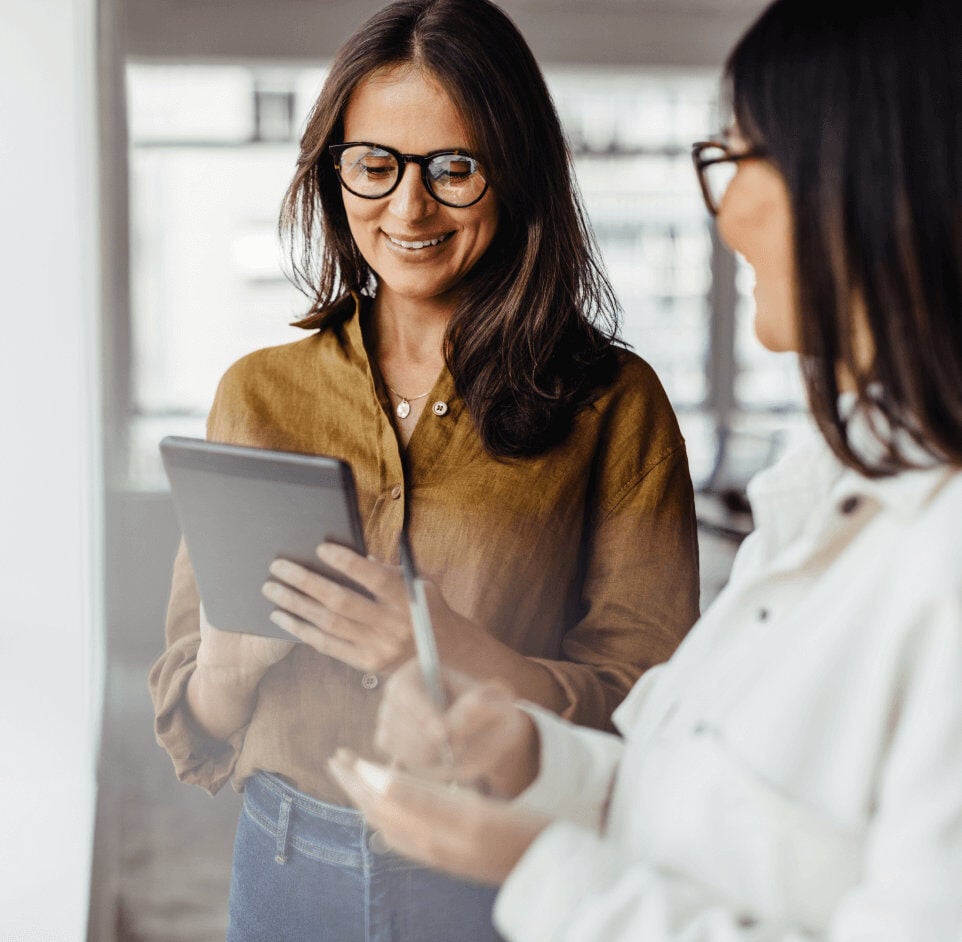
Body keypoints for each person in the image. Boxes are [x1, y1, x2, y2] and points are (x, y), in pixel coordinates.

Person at [328, 0, 962, 939]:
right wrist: (532, 757)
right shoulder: (819, 498)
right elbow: (692, 794)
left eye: (744, 154)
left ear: (877, 182)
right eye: (375, 165)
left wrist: (544, 872)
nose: (726, 205)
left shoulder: (938, 564)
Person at [148, 0, 701, 939]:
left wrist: (445, 651)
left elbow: (658, 715)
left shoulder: (615, 404)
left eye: (454, 168)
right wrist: (230, 672)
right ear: (334, 175)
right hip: (281, 867)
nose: (408, 208)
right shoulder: (258, 393)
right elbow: (190, 723)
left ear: (517, 174)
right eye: (375, 166)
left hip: (498, 875)